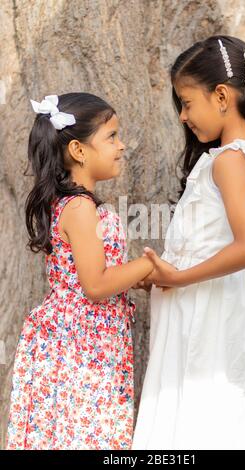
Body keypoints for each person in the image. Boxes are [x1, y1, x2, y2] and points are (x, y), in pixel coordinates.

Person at [6, 92, 175, 450]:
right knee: (85, 436)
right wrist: (149, 263)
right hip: (80, 348)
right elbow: (96, 285)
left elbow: (101, 273)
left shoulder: (78, 204)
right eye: (111, 136)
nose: (121, 145)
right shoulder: (80, 207)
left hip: (89, 341)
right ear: (79, 151)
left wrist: (136, 277)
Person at [132, 35, 245, 450]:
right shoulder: (236, 155)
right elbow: (211, 239)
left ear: (222, 96)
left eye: (186, 102)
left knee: (203, 425)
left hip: (209, 314)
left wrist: (179, 276)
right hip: (203, 304)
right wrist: (165, 273)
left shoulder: (230, 161)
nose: (182, 116)